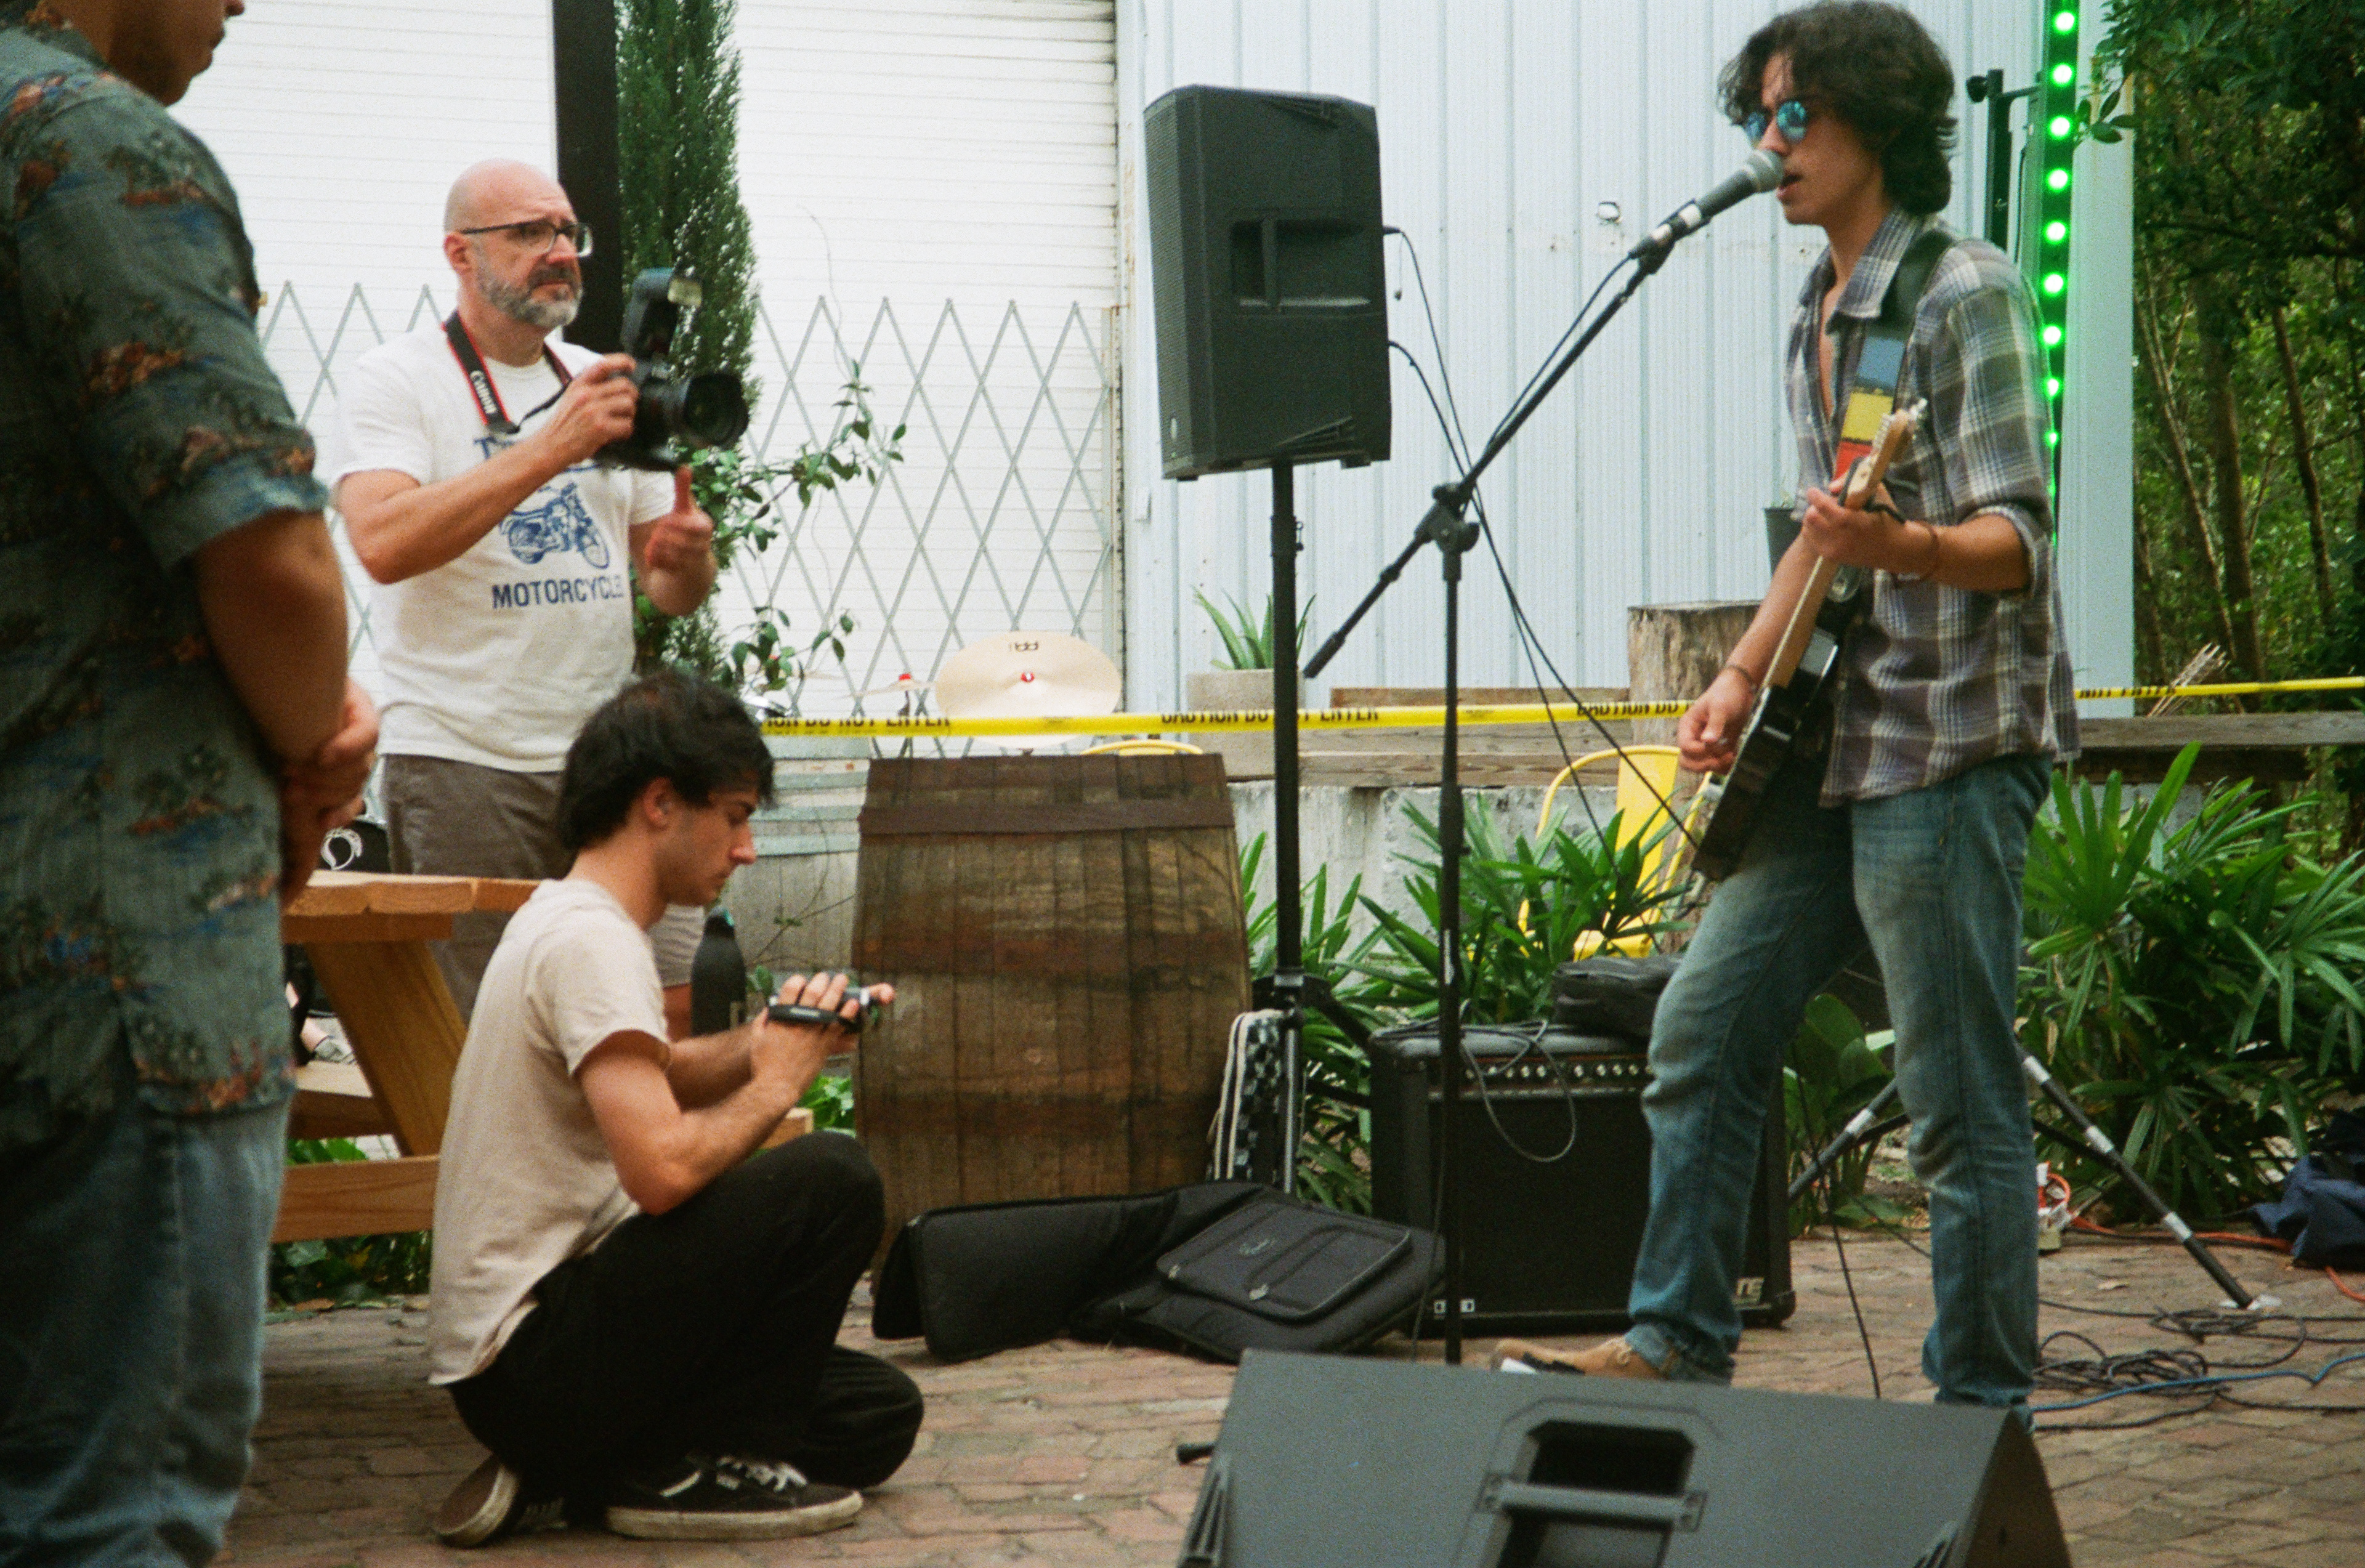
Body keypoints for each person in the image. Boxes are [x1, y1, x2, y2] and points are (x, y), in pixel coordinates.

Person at [1500, 1, 2074, 1418]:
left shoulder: (1962, 290)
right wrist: (1741, 674)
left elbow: (2016, 539)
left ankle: (1979, 1414)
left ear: (1876, 118)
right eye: (1759, 117)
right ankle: (1677, 1335)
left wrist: (1903, 545)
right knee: (1700, 1032)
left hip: (1945, 744)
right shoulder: (1828, 311)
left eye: (1795, 115)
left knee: (1956, 1100)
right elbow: (1827, 542)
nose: (1770, 143)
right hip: (1831, 742)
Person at [0, 1, 378, 1563]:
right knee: (112, 1517)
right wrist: (315, 740)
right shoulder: (79, 145)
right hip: (106, 968)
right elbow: (272, 554)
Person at [426, 670, 922, 1546]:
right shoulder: (590, 940)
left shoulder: (570, 918)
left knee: (876, 1414)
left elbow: (653, 1071)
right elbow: (660, 1174)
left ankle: (592, 1464)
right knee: (835, 1176)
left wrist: (772, 1038)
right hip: (531, 1361)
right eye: (734, 816)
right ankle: (690, 1471)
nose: (747, 849)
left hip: (547, 1358)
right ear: (660, 803)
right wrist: (779, 1082)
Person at [333, 158, 719, 1025]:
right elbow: (383, 543)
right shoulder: (397, 377)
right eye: (529, 233)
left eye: (568, 232)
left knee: (629, 1011)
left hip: (604, 762)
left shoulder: (599, 380)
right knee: (493, 1027)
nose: (559, 251)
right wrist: (550, 448)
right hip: (465, 761)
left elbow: (666, 589)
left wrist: (687, 558)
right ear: (459, 253)